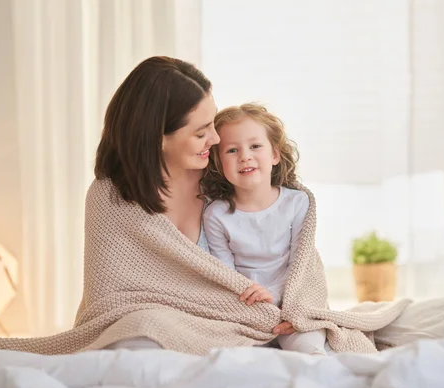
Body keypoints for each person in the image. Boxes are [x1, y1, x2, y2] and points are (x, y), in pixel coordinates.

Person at [94, 57, 295, 349]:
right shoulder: (109, 197)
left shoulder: (224, 174)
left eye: (212, 124)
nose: (215, 139)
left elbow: (296, 245)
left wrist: (297, 304)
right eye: (200, 133)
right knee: (138, 332)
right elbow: (112, 301)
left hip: (239, 321)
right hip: (154, 326)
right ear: (156, 138)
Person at [202, 103, 327, 356]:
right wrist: (255, 301)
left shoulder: (297, 202)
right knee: (222, 351)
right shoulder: (216, 214)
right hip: (245, 306)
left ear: (275, 155)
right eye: (232, 150)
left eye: (255, 146)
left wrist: (288, 304)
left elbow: (302, 264)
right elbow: (225, 274)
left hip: (294, 302)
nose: (244, 156)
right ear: (218, 163)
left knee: (308, 348)